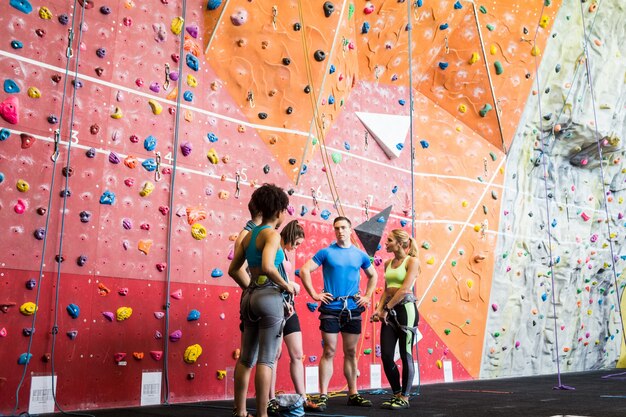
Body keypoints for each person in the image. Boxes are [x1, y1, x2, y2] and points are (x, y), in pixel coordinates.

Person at [228, 184, 295, 417]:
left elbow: (234, 270)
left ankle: (240, 411)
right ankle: (262, 414)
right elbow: (268, 266)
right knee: (266, 360)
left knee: (246, 358)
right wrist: (287, 285)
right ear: (279, 212)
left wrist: (251, 288)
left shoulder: (249, 236)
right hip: (269, 296)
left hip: (250, 297)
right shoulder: (272, 234)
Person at [299, 216, 378, 411]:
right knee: (329, 351)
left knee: (351, 352)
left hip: (352, 309)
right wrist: (315, 294)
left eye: (343, 227)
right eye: (337, 228)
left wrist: (367, 296)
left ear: (350, 230)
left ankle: (353, 394)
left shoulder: (359, 255)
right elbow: (304, 270)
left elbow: (373, 275)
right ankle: (323, 395)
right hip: (331, 309)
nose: (340, 231)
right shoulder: (326, 252)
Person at [267, 220, 320, 414]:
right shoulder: (273, 249)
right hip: (275, 307)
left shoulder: (284, 252)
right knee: (274, 354)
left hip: (289, 308)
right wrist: (288, 282)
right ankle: (270, 399)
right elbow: (265, 273)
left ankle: (303, 399)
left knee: (297, 354)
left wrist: (289, 285)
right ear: (288, 236)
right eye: (296, 243)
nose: (296, 247)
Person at [372, 229, 420, 410]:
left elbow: (405, 289)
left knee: (406, 353)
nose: (386, 243)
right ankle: (397, 393)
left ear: (400, 244)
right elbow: (387, 289)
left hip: (406, 311)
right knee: (386, 355)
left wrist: (387, 308)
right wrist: (378, 309)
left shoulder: (413, 261)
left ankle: (405, 398)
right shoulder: (388, 263)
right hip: (389, 312)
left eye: (389, 240)